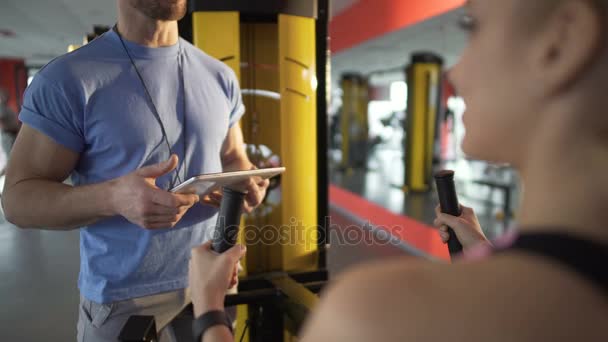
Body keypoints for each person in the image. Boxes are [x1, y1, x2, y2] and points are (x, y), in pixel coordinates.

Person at [190, 0, 608, 341]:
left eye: (472, 25)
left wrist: (210, 310)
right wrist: (482, 251)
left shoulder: (374, 315)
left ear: (562, 40)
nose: (455, 73)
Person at [1, 0, 269, 341]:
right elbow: (17, 199)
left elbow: (233, 156)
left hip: (210, 286)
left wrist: (244, 179)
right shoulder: (68, 80)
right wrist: (112, 197)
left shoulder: (219, 76)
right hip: (123, 300)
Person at [0, 88, 21, 163]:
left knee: (14, 156)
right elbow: (2, 120)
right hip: (8, 135)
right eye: (3, 96)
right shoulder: (2, 108)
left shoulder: (8, 108)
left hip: (13, 134)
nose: (6, 97)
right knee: (10, 157)